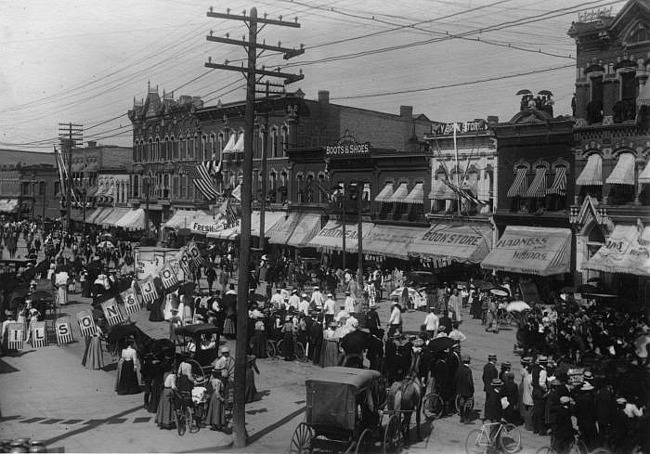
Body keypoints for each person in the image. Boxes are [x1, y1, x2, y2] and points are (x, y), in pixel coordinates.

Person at [155, 364, 176, 430]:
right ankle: (168, 422)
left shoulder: (165, 374)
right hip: (169, 391)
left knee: (163, 407)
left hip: (164, 391)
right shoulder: (172, 376)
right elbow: (173, 386)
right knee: (169, 407)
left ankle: (161, 422)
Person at [455, 354, 474, 423]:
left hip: (460, 390)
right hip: (467, 391)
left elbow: (456, 378)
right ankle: (467, 418)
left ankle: (461, 417)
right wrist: (472, 390)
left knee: (461, 404)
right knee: (468, 404)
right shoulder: (468, 370)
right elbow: (470, 382)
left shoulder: (459, 369)